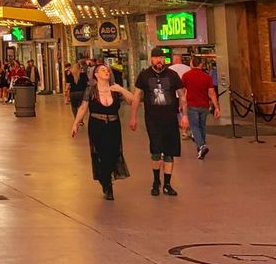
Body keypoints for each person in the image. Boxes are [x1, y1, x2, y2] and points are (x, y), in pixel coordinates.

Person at [130, 46, 190, 196]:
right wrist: (133, 117)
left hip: (170, 119)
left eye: (162, 58)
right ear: (151, 59)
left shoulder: (172, 75)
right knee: (156, 151)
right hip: (153, 120)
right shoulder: (144, 76)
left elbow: (182, 95)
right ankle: (156, 181)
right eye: (157, 58)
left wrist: (184, 115)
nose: (159, 61)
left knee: (170, 153)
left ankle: (167, 184)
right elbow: (136, 96)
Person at [71, 63, 133, 200]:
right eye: (102, 70)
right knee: (101, 155)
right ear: (96, 75)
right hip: (97, 125)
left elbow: (132, 100)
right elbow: (83, 108)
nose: (106, 72)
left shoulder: (115, 89)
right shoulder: (91, 90)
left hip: (113, 125)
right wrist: (75, 123)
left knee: (113, 154)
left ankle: (106, 178)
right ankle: (107, 184)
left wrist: (122, 89)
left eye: (107, 70)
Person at [182, 55, 220, 158]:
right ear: (201, 65)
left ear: (191, 64)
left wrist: (182, 105)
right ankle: (200, 150)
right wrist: (216, 107)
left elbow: (183, 93)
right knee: (202, 126)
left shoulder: (186, 76)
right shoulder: (207, 77)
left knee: (194, 127)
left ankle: (202, 146)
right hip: (204, 105)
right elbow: (211, 93)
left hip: (192, 105)